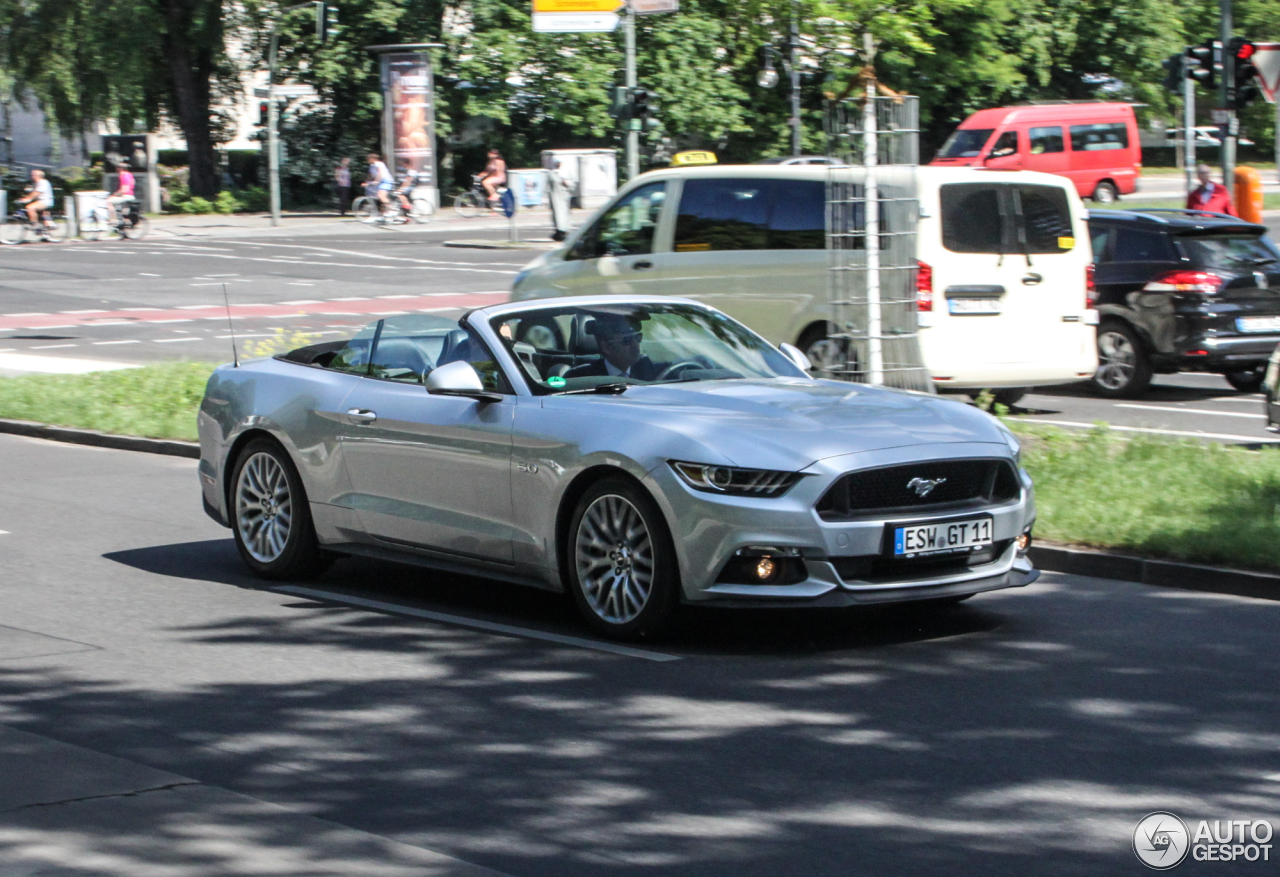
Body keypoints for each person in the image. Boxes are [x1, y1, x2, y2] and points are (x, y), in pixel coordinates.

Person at [565, 314, 668, 380]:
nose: (635, 345)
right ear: (607, 347)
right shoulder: (580, 377)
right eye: (627, 340)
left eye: (637, 337)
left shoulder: (647, 367)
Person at [366, 153, 393, 217]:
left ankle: (390, 210)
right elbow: (370, 176)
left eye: (369, 159)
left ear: (373, 159)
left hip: (386, 181)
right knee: (376, 196)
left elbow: (380, 173)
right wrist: (367, 182)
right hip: (380, 182)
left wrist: (376, 181)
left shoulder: (378, 163)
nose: (368, 160)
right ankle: (382, 212)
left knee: (381, 196)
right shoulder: (372, 166)